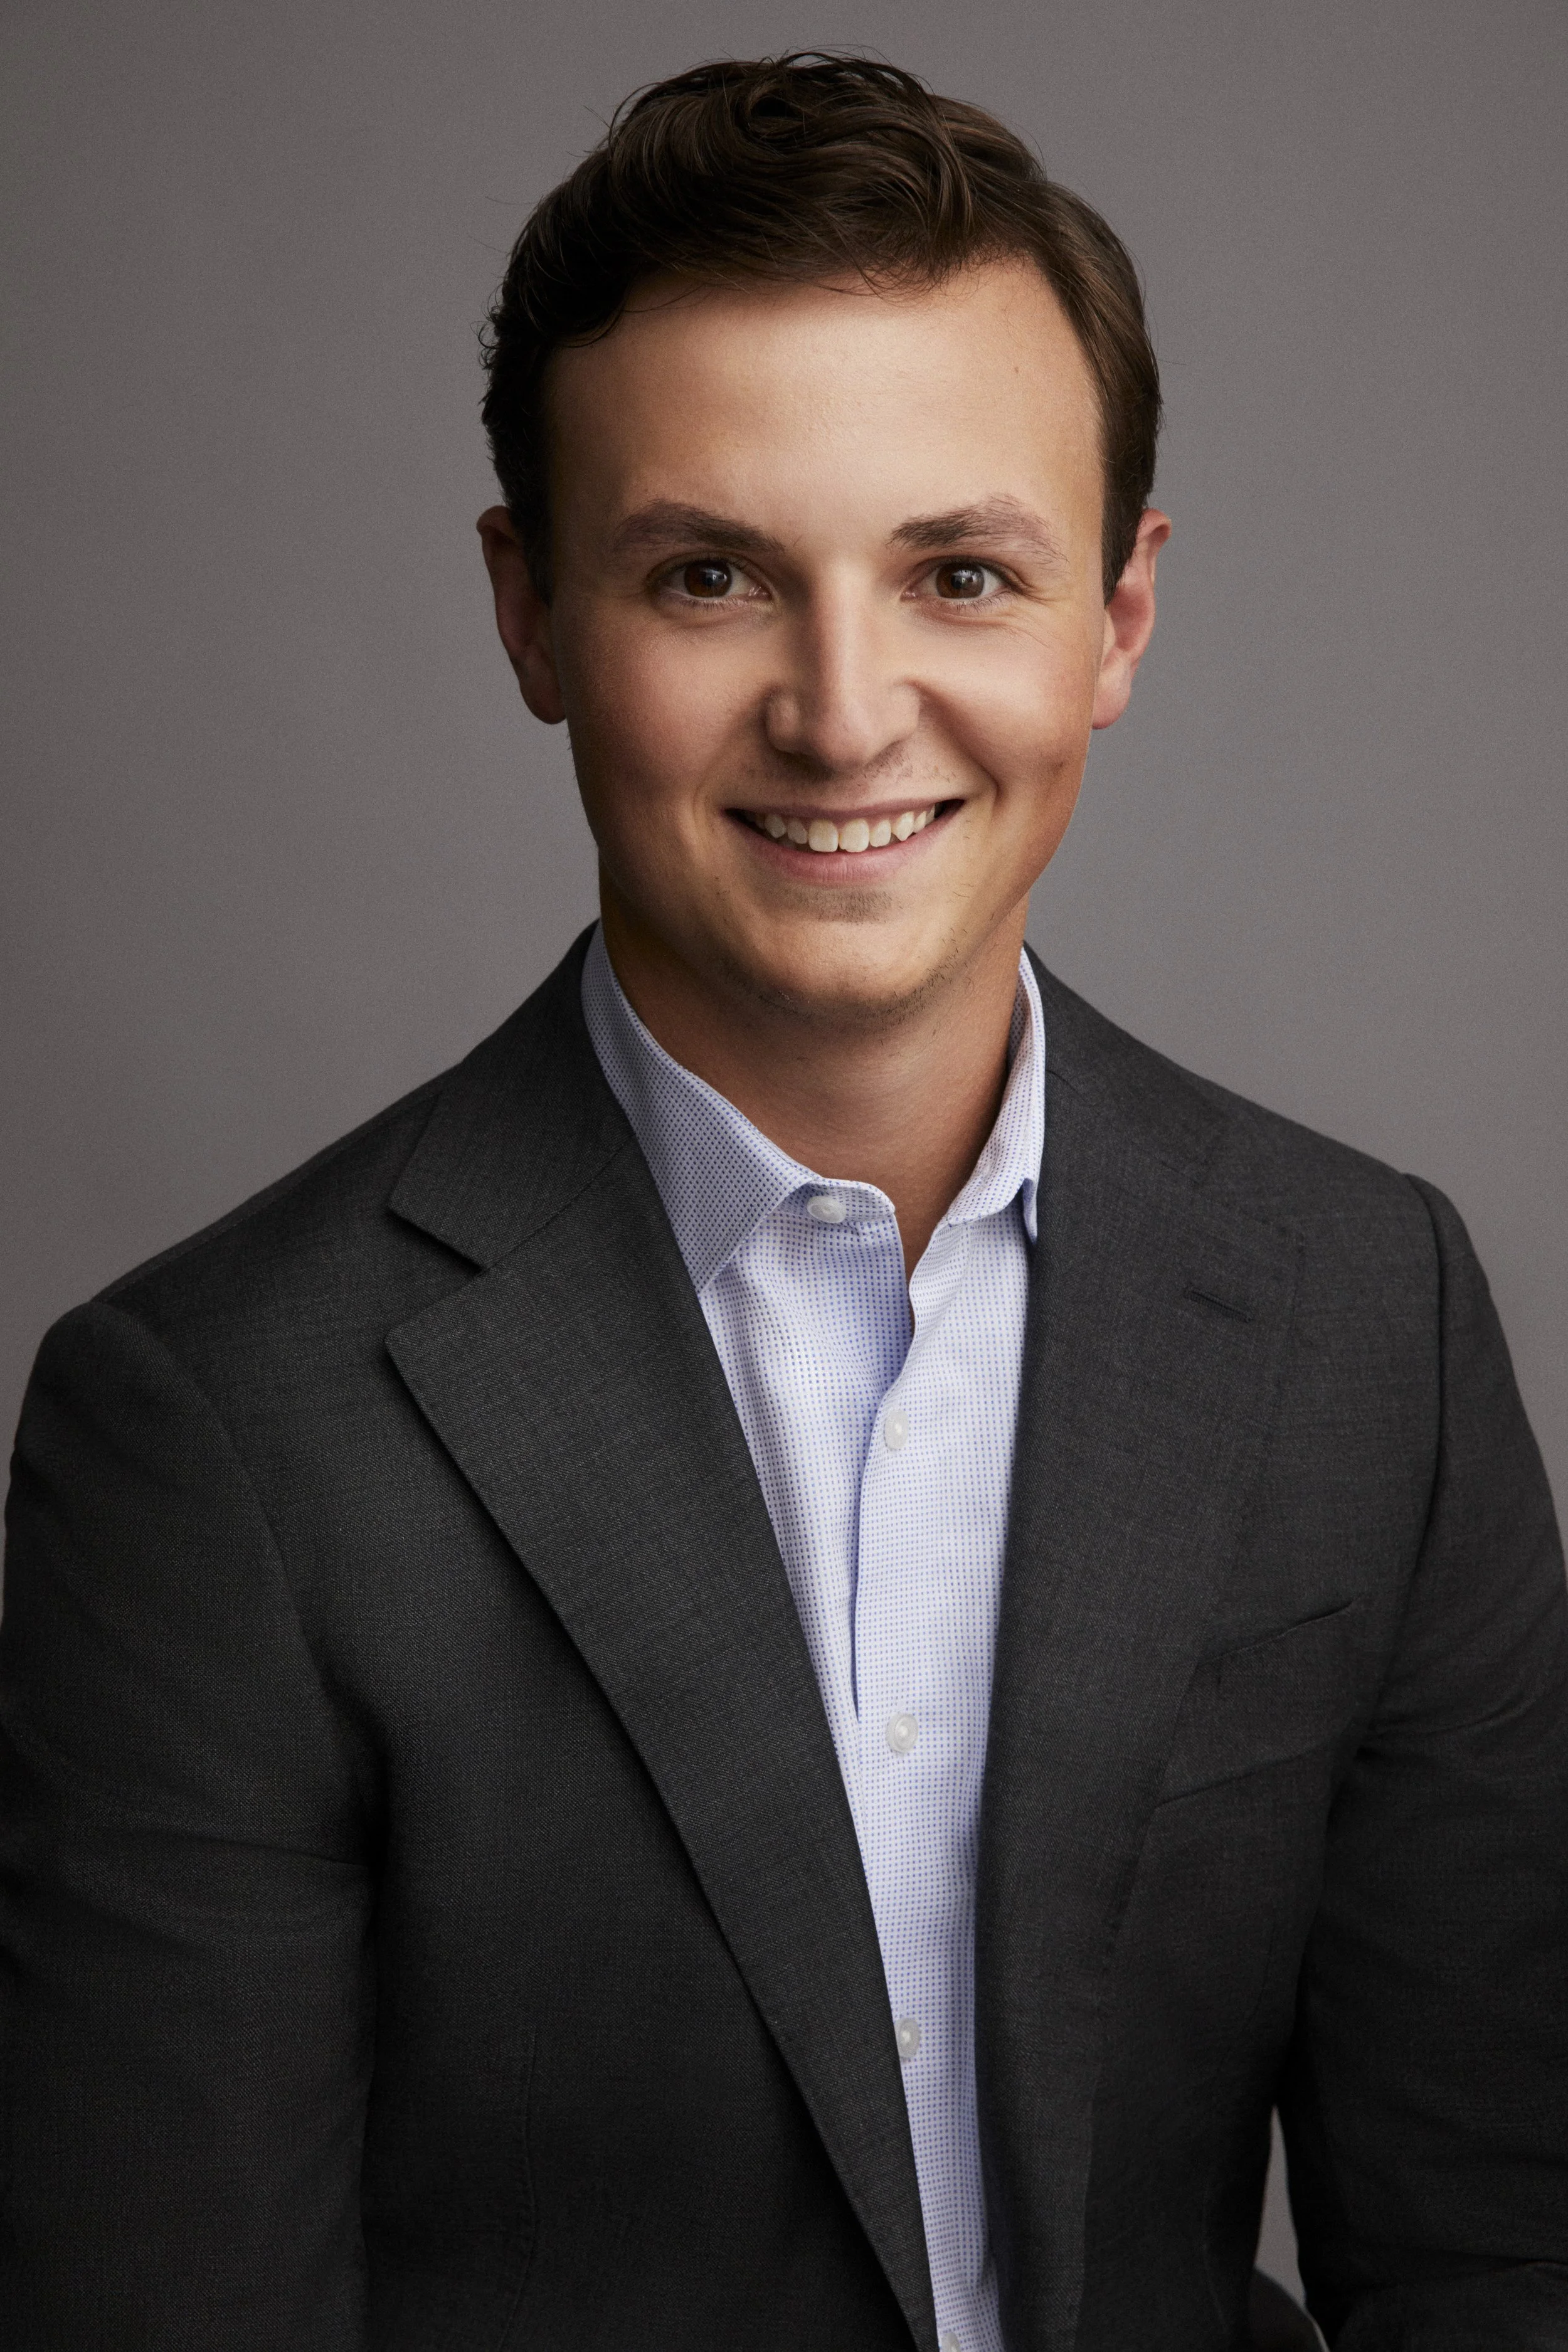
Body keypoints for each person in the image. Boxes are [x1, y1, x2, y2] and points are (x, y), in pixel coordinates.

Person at [1, 51, 1564, 2352]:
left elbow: (1495, 2252)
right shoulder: (212, 1423)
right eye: (710, 574)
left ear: (1116, 617)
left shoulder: (1368, 1313)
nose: (846, 713)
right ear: (533, 618)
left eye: (960, 571)